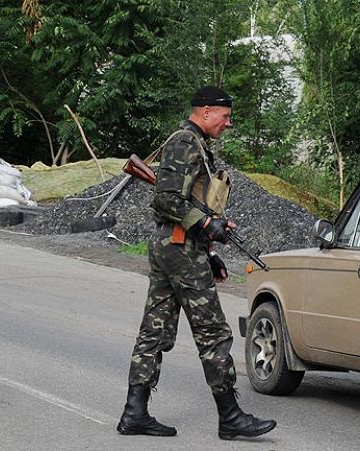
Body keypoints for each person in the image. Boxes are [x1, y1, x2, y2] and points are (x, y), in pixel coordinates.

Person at [117, 86, 276, 440]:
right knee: (213, 331)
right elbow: (166, 199)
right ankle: (231, 417)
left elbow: (190, 202)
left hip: (177, 247)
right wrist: (206, 224)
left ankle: (134, 413)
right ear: (205, 112)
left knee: (154, 330)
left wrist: (213, 248)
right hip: (179, 249)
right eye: (225, 116)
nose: (228, 123)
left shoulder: (197, 146)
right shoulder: (185, 142)